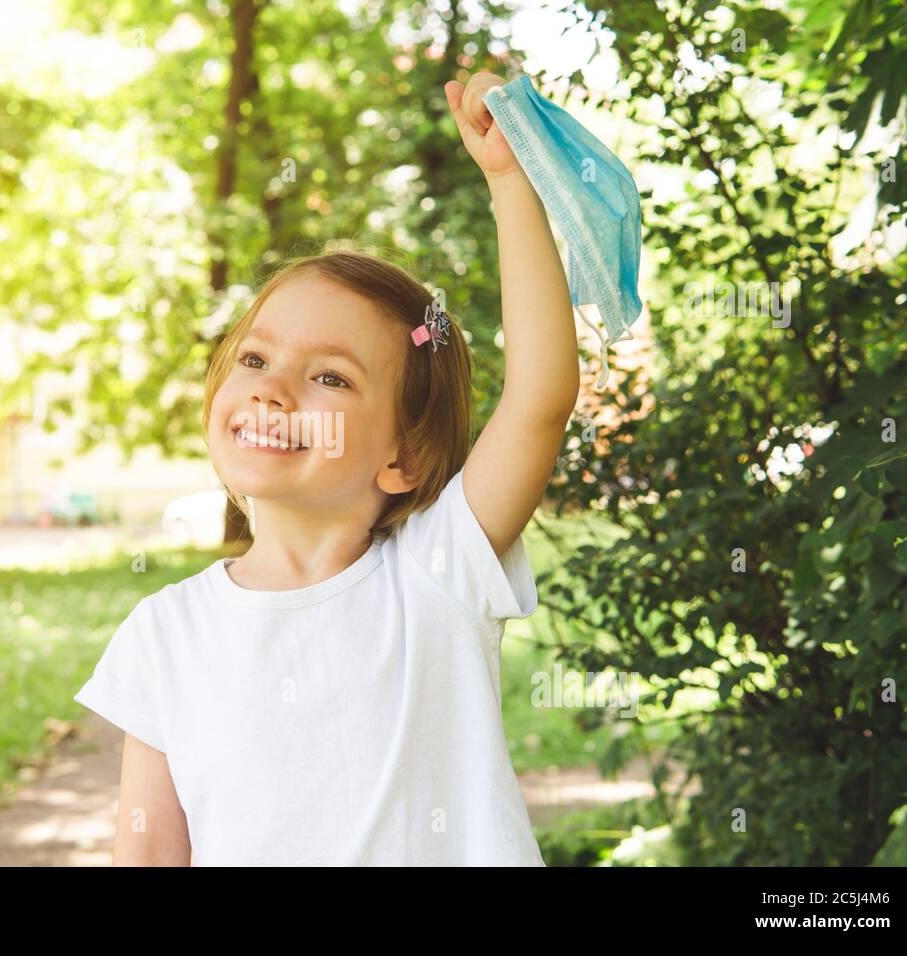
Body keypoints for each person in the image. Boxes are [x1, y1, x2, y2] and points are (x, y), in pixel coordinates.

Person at [73, 72, 580, 865]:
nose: (273, 389)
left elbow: (540, 399)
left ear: (403, 458)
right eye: (255, 357)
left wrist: (510, 183)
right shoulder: (164, 633)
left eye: (330, 377)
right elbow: (148, 852)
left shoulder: (440, 575)